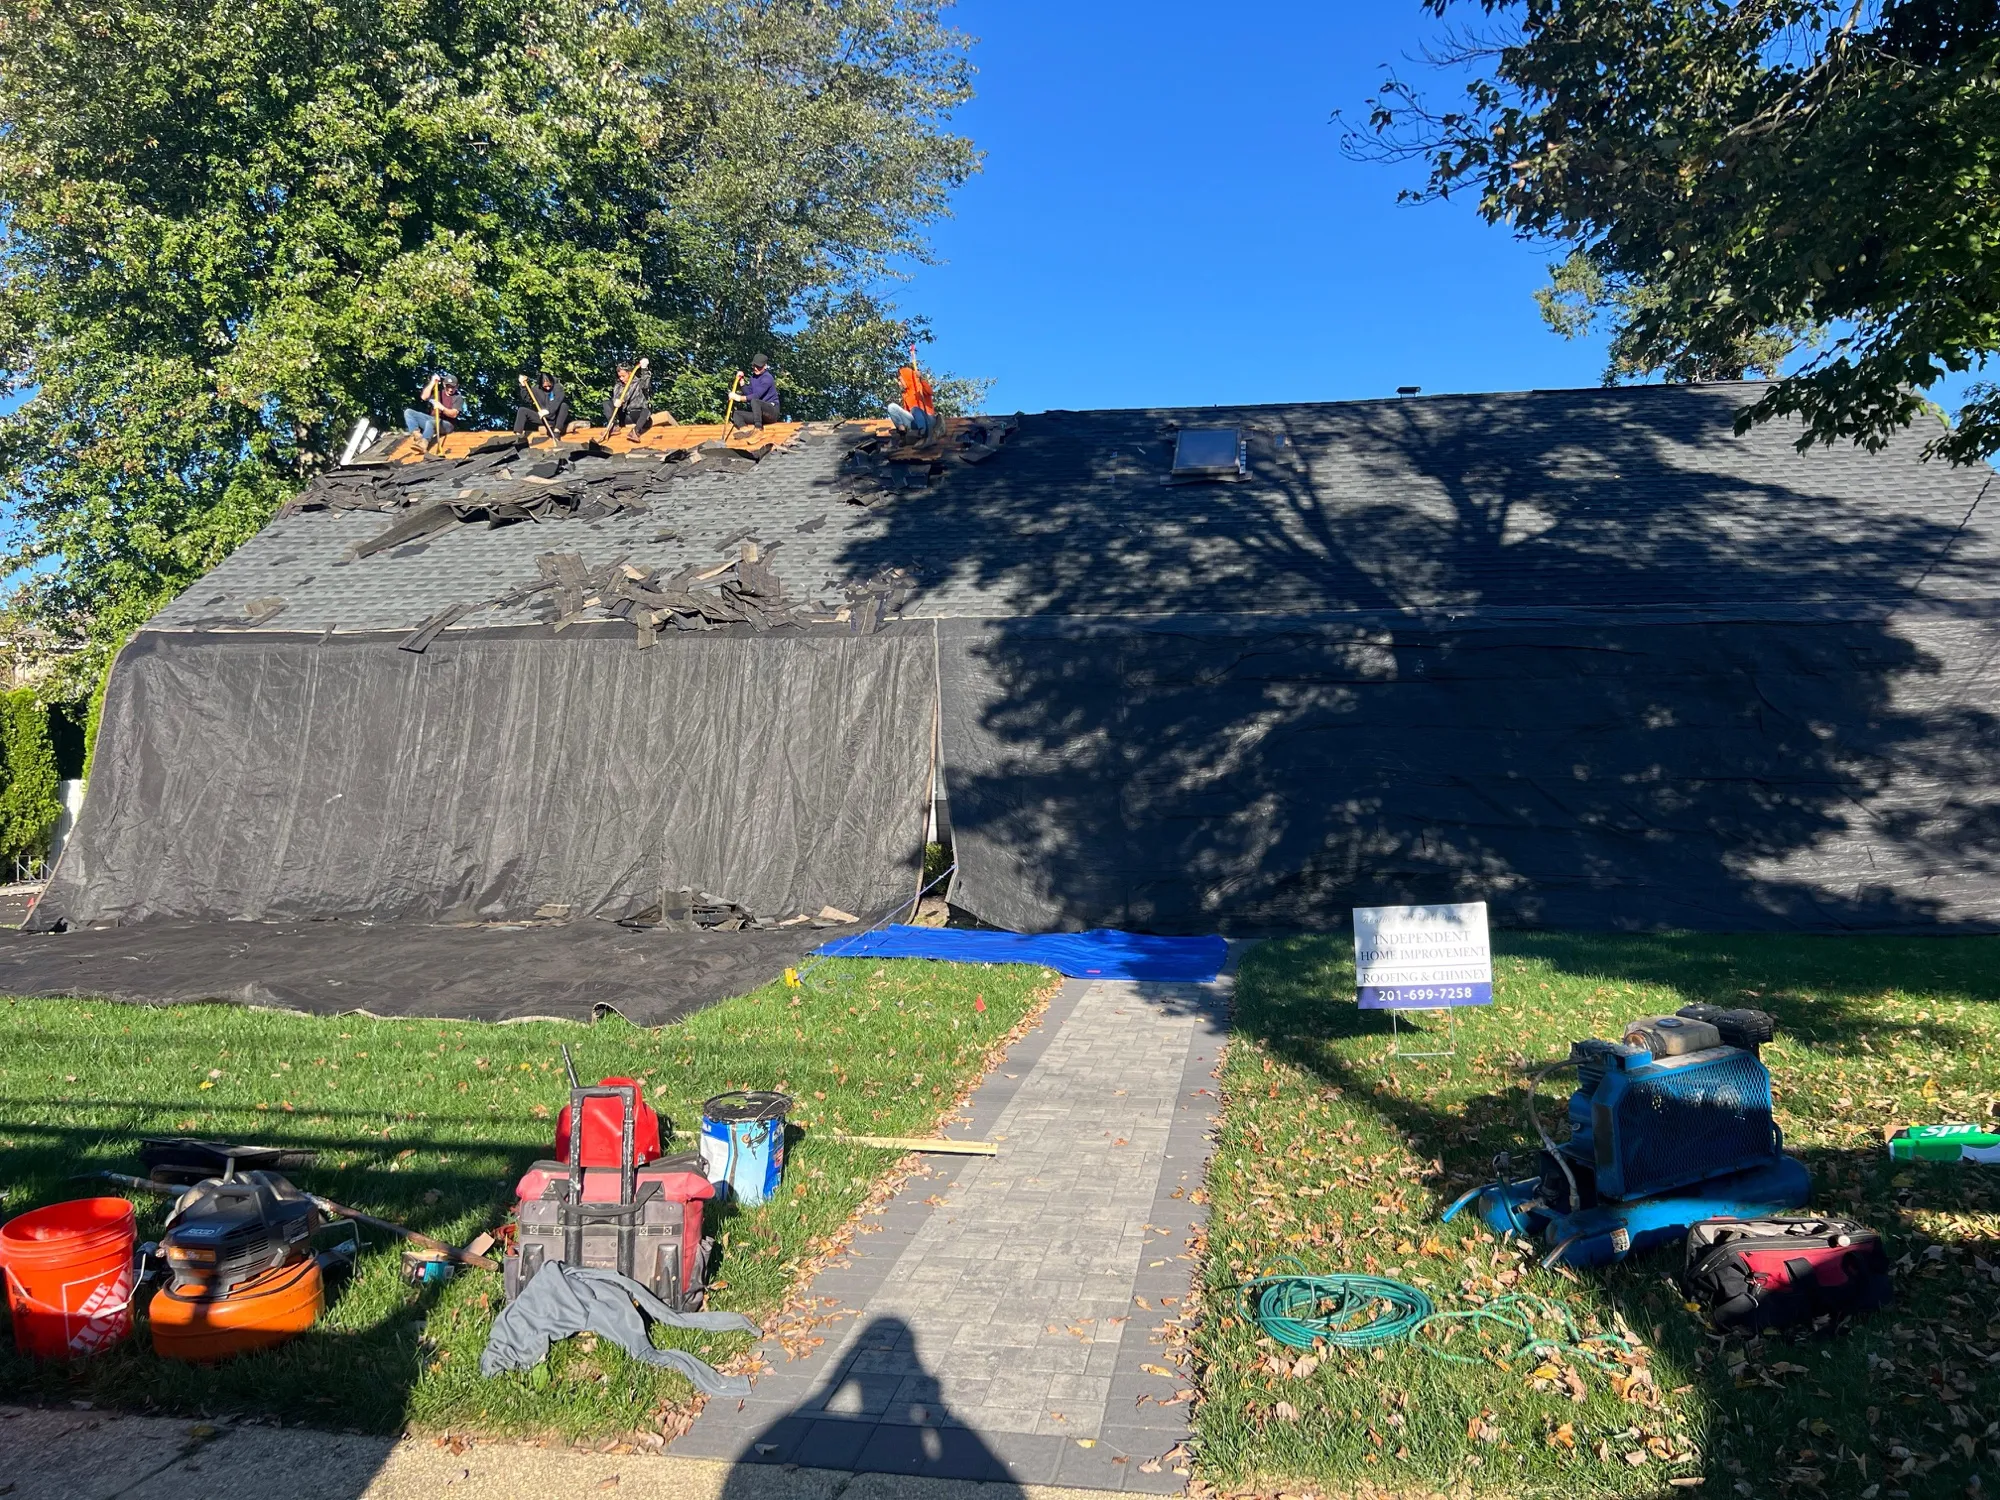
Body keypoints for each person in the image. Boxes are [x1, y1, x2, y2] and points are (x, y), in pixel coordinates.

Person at [404, 374, 465, 448]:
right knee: (408, 412)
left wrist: (442, 408)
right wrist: (432, 382)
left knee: (431, 422)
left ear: (457, 386)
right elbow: (424, 397)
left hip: (447, 425)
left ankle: (423, 444)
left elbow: (454, 414)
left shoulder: (458, 398)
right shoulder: (438, 393)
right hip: (433, 420)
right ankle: (417, 436)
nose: (450, 389)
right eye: (448, 386)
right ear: (444, 385)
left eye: (453, 387)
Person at [888, 356, 936, 445]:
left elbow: (930, 391)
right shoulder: (905, 395)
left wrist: (921, 379)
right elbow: (907, 413)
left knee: (915, 409)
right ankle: (902, 433)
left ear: (906, 378)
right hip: (914, 422)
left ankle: (924, 434)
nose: (899, 383)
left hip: (928, 420)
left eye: (900, 380)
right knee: (892, 407)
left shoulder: (919, 386)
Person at [604, 361, 661, 435]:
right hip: (624, 416)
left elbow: (646, 384)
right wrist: (616, 401)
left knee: (646, 410)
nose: (621, 378)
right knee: (606, 403)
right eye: (619, 376)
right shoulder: (618, 385)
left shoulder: (639, 383)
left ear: (630, 373)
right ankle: (614, 426)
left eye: (623, 376)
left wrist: (644, 369)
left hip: (636, 414)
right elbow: (616, 397)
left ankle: (635, 432)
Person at [513, 371, 573, 439]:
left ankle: (557, 431)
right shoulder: (536, 389)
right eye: (545, 386)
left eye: (549, 386)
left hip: (556, 418)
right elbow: (527, 398)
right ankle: (518, 435)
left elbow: (557, 402)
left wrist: (548, 411)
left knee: (564, 405)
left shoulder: (558, 388)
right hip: (543, 418)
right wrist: (523, 386)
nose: (548, 388)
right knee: (522, 410)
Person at [734, 355, 780, 431]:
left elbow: (756, 395)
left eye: (759, 366)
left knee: (755, 401)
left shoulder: (767, 378)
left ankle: (758, 429)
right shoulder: (753, 378)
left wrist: (738, 398)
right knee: (737, 414)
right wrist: (742, 382)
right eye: (754, 366)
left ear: (765, 366)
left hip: (771, 412)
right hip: (758, 415)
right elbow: (749, 394)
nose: (755, 368)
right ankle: (744, 431)